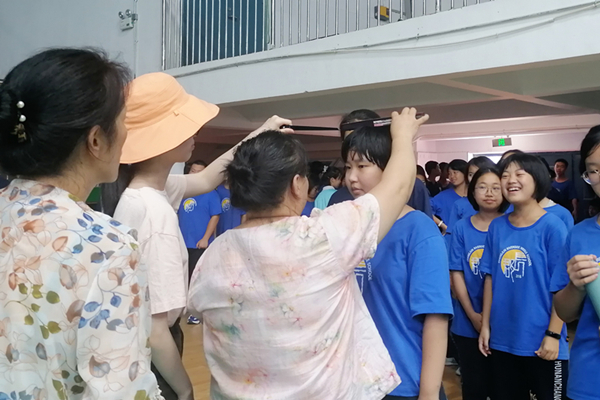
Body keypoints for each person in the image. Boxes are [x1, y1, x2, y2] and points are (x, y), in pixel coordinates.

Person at [188, 108, 429, 399]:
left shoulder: (213, 254)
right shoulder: (321, 238)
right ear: (296, 185)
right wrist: (403, 136)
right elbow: (399, 187)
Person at [101, 72, 293, 400]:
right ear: (163, 138)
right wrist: (185, 389)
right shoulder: (155, 213)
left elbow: (205, 180)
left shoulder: (142, 193)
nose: (195, 132)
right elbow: (156, 331)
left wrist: (258, 133)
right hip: (155, 357)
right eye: (184, 125)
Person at [0, 49, 160, 398]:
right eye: (123, 120)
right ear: (96, 140)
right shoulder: (107, 246)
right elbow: (119, 389)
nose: (126, 132)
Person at [343, 125, 453, 400]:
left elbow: (435, 318)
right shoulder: (346, 226)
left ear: (393, 169)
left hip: (404, 383)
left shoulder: (419, 230)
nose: (351, 177)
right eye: (347, 167)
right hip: (353, 381)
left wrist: (428, 393)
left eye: (362, 166)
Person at [478, 153, 569, 400]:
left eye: (519, 174)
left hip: (543, 341)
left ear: (537, 179)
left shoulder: (553, 226)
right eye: (505, 175)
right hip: (503, 340)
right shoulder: (497, 226)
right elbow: (490, 279)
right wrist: (485, 326)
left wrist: (553, 335)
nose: (511, 181)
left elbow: (562, 286)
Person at [449, 167, 509, 400]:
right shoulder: (462, 228)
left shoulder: (510, 226)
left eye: (496, 188)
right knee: (474, 386)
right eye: (482, 187)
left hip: (505, 323)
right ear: (472, 192)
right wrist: (473, 316)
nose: (489, 193)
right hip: (467, 321)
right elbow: (456, 273)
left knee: (504, 387)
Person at [552, 125, 600, 400]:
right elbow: (565, 312)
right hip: (589, 379)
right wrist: (576, 285)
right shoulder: (579, 234)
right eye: (594, 170)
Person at [327, 109, 433, 219]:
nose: (355, 145)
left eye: (362, 166)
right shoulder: (337, 200)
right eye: (349, 167)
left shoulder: (413, 188)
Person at [178, 161, 222, 325]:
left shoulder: (210, 193)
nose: (195, 174)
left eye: (199, 172)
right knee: (184, 277)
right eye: (193, 171)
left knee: (198, 278)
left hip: (199, 243)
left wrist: (205, 238)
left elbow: (215, 216)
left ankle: (197, 312)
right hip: (182, 242)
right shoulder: (181, 192)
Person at [446, 157, 496, 238]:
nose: (475, 178)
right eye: (471, 174)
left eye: (479, 173)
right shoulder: (459, 205)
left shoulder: (505, 205)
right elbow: (451, 236)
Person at [431, 159, 468, 234]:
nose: (452, 176)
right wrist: (442, 225)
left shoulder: (475, 197)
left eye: (455, 172)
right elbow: (425, 210)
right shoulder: (442, 196)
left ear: (465, 173)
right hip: (449, 238)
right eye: (449, 173)